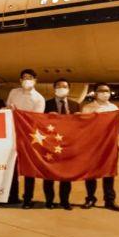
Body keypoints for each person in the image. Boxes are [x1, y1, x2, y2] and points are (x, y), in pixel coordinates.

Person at [81, 83, 119, 212]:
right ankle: (90, 198)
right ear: (95, 93)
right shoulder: (88, 108)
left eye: (107, 91)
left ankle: (109, 200)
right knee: (91, 174)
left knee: (109, 173)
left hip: (108, 145)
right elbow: (84, 126)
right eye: (101, 91)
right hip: (92, 145)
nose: (105, 93)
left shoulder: (113, 108)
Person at [6, 68, 46, 207]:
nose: (26, 80)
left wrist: (18, 113)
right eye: (24, 77)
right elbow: (7, 110)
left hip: (28, 136)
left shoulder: (39, 99)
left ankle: (28, 198)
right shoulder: (14, 92)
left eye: (30, 77)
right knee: (12, 166)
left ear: (35, 80)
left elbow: (35, 119)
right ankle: (12, 196)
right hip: (12, 134)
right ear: (20, 80)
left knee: (29, 168)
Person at [42, 78, 80, 210]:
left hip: (67, 144)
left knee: (66, 175)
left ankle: (65, 201)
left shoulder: (75, 105)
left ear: (69, 89)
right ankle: (49, 201)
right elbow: (39, 123)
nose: (61, 89)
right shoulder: (46, 104)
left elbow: (79, 126)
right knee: (48, 175)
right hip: (51, 143)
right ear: (54, 89)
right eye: (58, 86)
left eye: (64, 86)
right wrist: (47, 117)